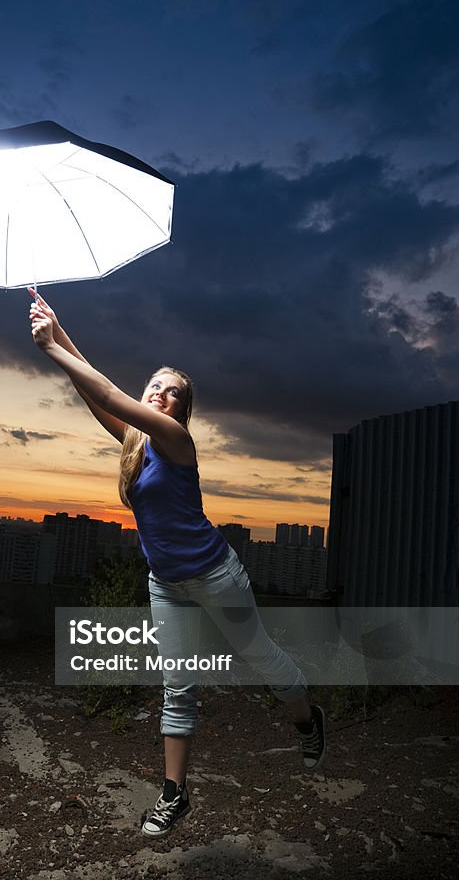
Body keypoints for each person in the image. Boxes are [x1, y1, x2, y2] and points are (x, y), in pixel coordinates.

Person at [29, 290, 326, 838]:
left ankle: (308, 721)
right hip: (165, 583)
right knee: (177, 682)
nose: (161, 395)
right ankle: (175, 794)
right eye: (155, 387)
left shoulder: (174, 440)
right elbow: (95, 387)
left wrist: (51, 349)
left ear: (182, 412)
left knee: (260, 657)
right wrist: (59, 328)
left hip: (217, 577)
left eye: (172, 393)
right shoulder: (134, 443)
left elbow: (112, 393)